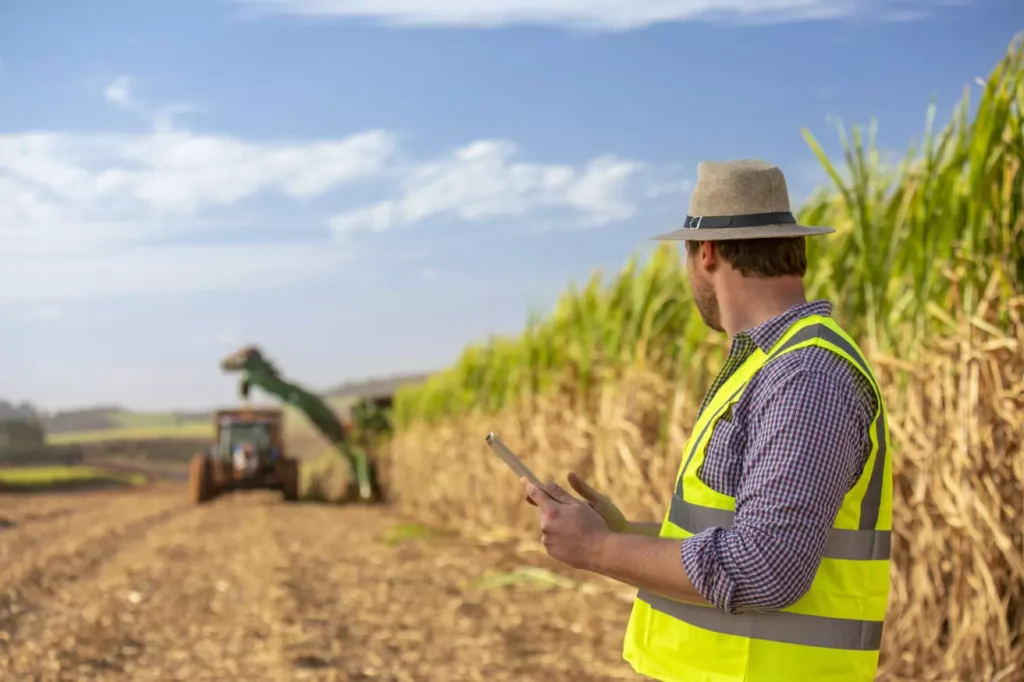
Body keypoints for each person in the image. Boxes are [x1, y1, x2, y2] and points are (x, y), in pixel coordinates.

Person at [521, 159, 891, 682]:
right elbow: (739, 532)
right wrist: (626, 531)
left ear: (707, 252)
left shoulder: (804, 375)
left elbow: (764, 567)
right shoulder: (771, 366)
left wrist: (597, 549)